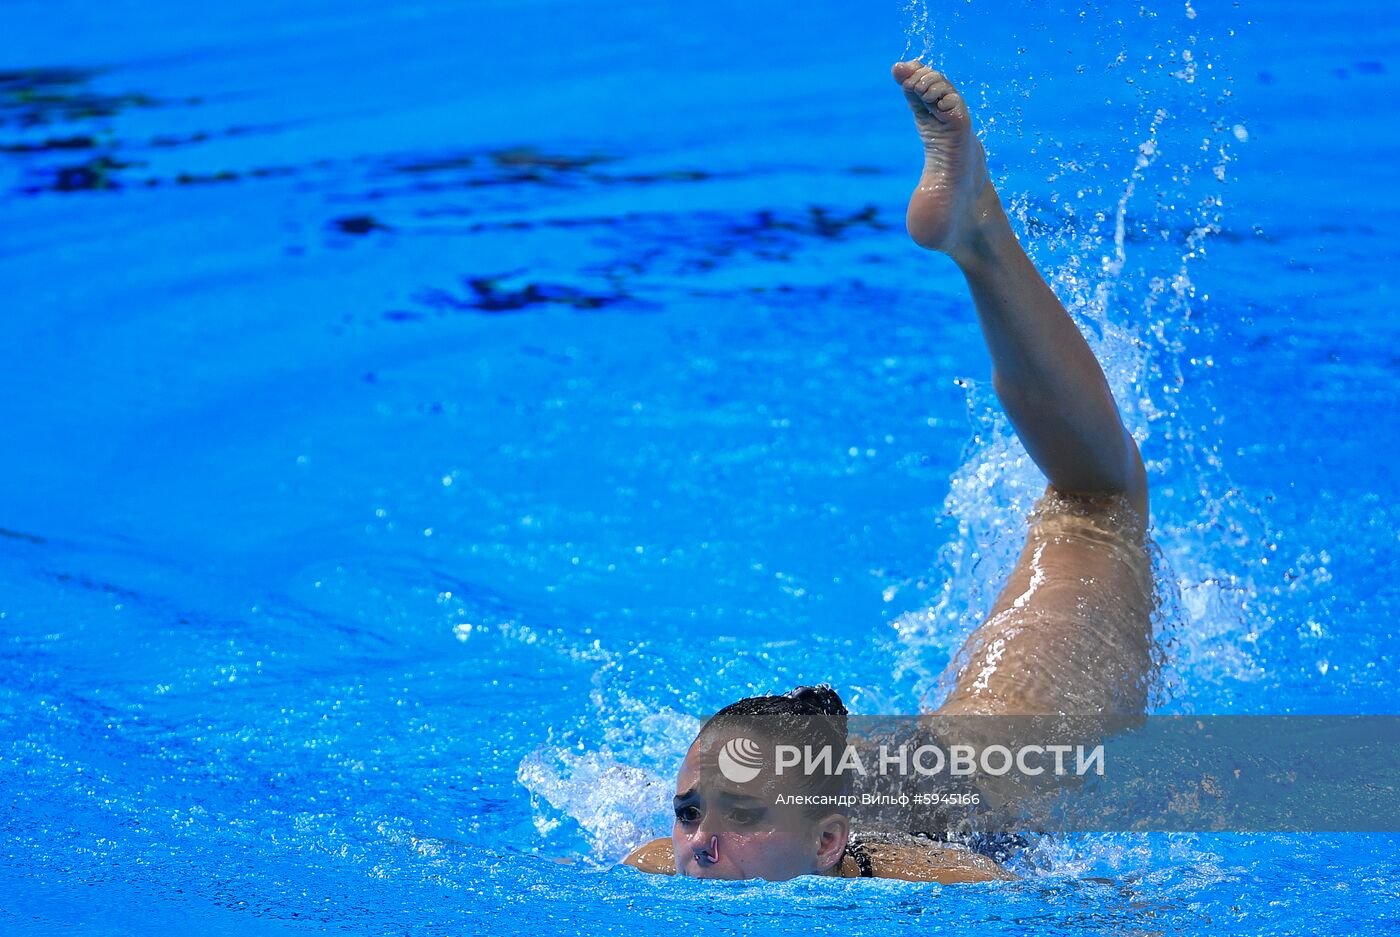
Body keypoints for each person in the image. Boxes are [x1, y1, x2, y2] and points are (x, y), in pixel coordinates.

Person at [622, 59, 1157, 882]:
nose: (698, 842)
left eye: (733, 815)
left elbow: (1048, 899)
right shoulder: (681, 861)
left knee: (1097, 506)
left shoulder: (899, 868)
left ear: (832, 844)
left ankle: (980, 233)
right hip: (880, 775)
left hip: (970, 780)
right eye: (690, 810)